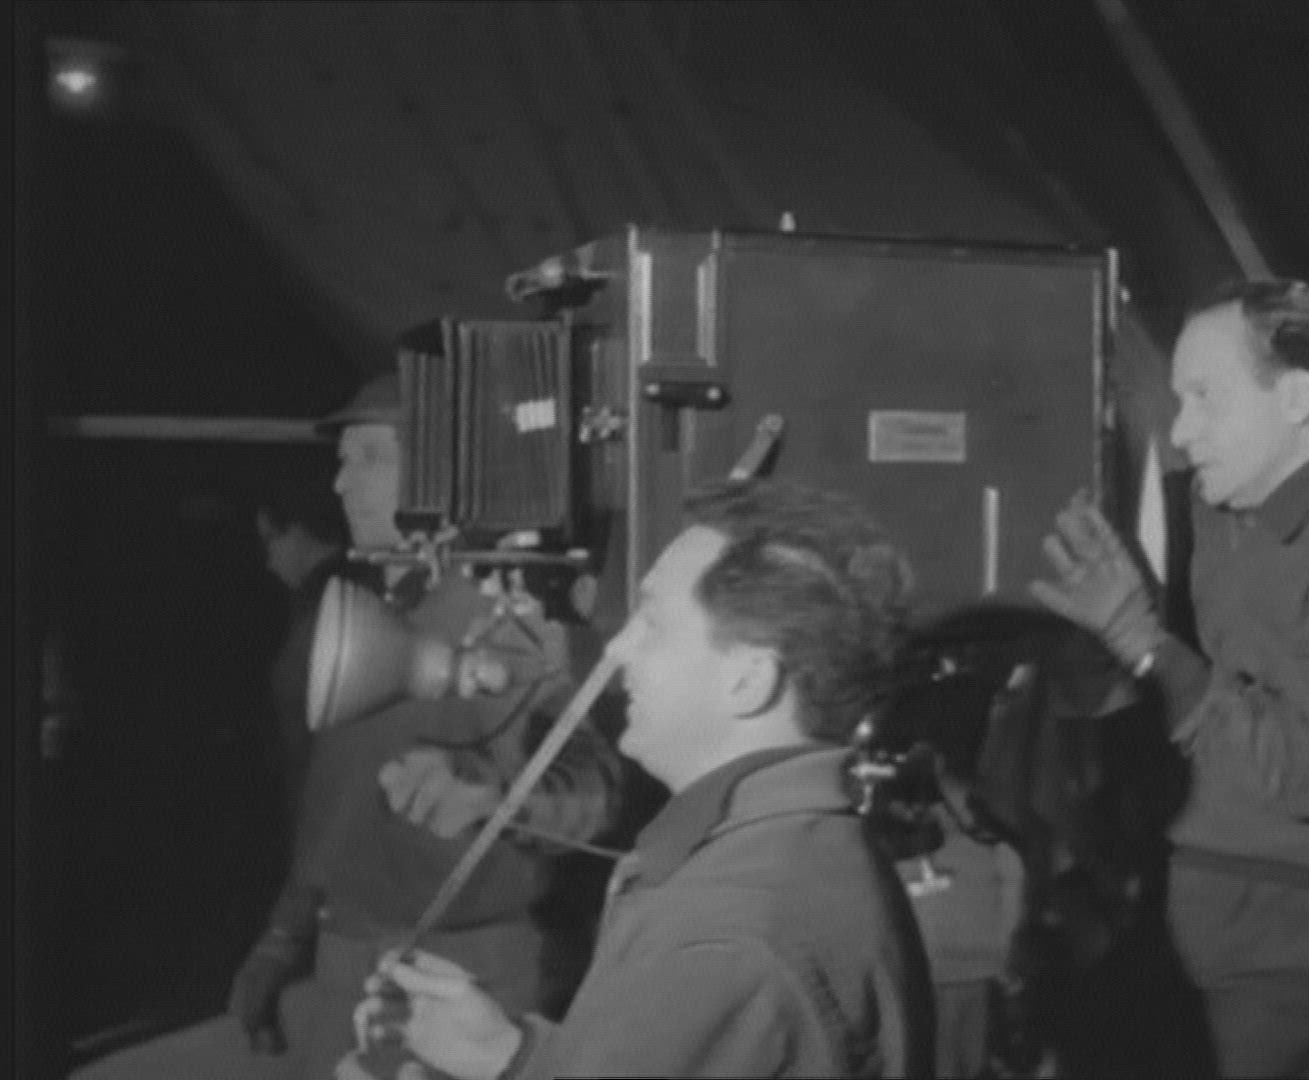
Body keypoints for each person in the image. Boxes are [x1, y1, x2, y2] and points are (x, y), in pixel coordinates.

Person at [71, 372, 623, 1080]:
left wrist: (497, 797)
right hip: (350, 960)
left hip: (464, 974)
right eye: (342, 460)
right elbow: (331, 803)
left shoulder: (508, 619)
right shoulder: (362, 622)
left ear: (439, 476)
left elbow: (596, 792)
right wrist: (281, 938)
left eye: (370, 457)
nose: (341, 482)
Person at [344, 477, 937, 1079]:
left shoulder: (721, 936)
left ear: (748, 680)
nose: (618, 649)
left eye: (651, 622)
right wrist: (510, 1057)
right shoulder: (793, 851)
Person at [1028, 279, 1309, 1077]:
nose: (1182, 430)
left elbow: (1297, 767)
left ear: (1298, 399)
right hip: (1193, 890)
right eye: (1180, 400)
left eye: (1206, 397)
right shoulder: (1218, 505)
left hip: (1299, 925)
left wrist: (1142, 640)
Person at [254, 474, 352, 829]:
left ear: (299, 531)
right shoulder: (315, 603)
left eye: (271, 540)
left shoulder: (333, 612)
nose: (269, 561)